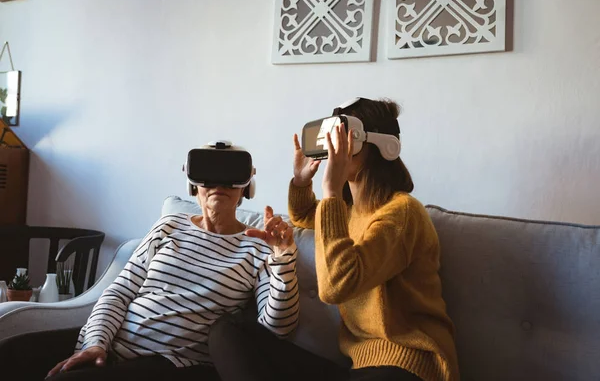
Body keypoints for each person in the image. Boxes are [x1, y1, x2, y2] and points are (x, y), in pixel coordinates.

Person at [208, 98, 459, 381]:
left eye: (343, 137)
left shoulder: (403, 212)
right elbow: (305, 215)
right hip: (357, 368)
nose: (334, 147)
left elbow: (337, 285)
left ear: (379, 146)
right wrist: (302, 181)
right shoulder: (350, 212)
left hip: (406, 366)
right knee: (228, 331)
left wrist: (331, 189)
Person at [0, 144, 299, 381]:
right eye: (209, 173)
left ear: (246, 187)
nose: (218, 183)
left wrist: (283, 259)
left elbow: (276, 330)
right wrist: (95, 342)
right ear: (192, 184)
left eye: (229, 175)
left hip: (174, 364)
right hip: (112, 344)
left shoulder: (259, 246)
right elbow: (120, 291)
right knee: (11, 354)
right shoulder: (169, 225)